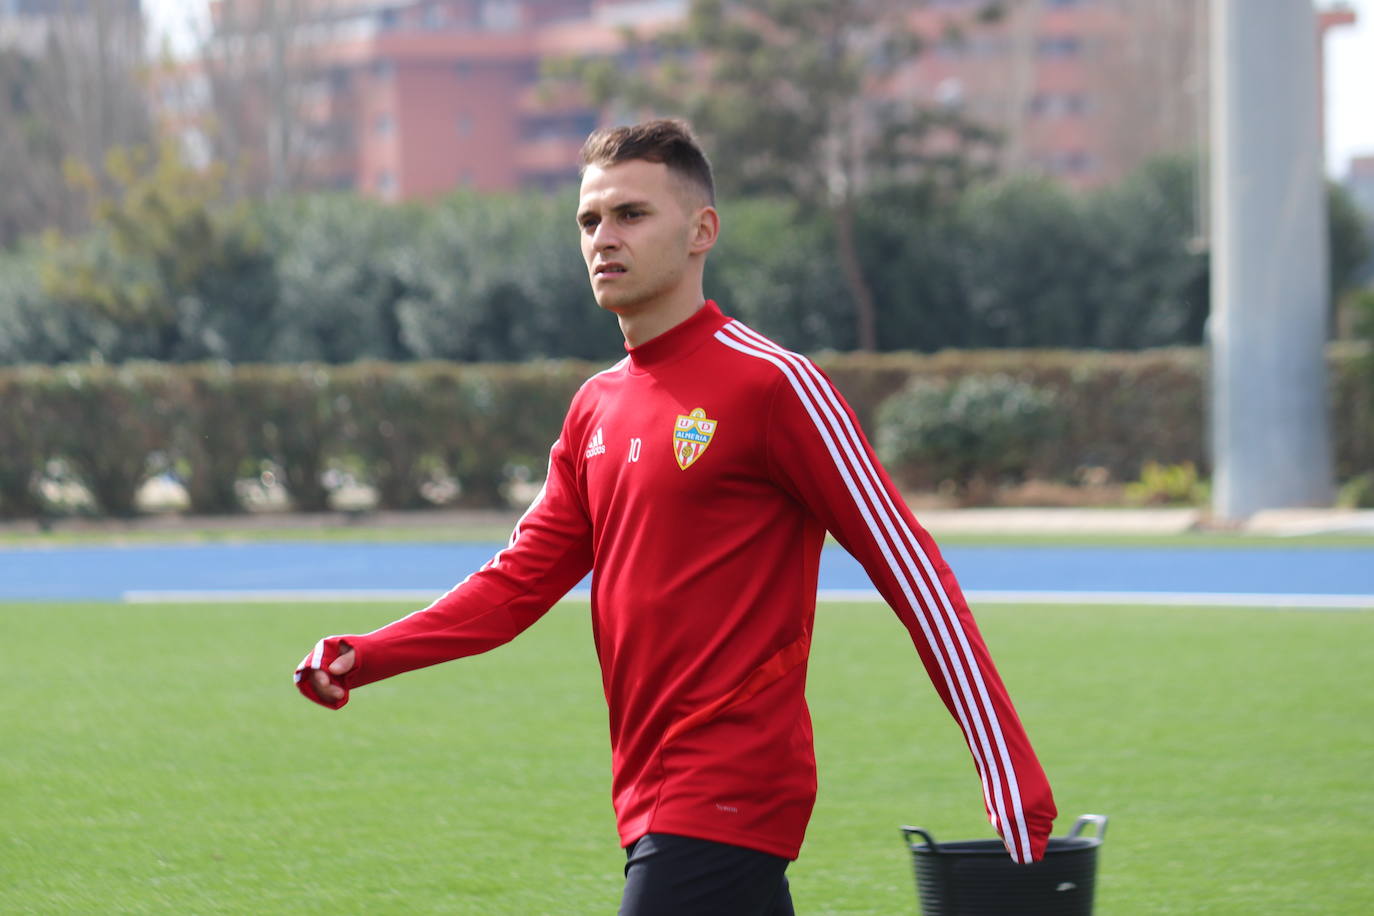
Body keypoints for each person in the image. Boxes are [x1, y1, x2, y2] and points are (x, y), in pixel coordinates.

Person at [295, 119, 1057, 915]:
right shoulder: (594, 408)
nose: (604, 238)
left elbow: (911, 572)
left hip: (729, 785)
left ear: (702, 231)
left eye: (631, 214)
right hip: (649, 790)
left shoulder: (776, 387)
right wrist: (368, 654)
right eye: (590, 220)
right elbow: (514, 586)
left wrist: (1004, 760)